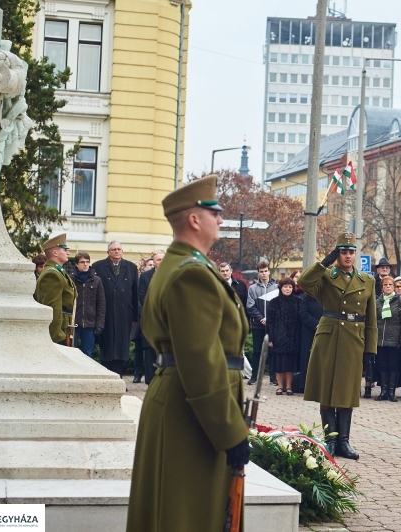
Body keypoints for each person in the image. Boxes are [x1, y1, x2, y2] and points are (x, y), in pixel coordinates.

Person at [127, 174, 250, 532]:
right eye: (215, 212)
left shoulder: (184, 266)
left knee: (175, 512)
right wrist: (231, 433)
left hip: (185, 403)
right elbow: (202, 363)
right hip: (192, 411)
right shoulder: (191, 274)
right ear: (195, 219)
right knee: (186, 515)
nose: (221, 220)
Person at [297, 232, 377, 460]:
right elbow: (303, 282)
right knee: (327, 390)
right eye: (343, 252)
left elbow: (371, 319)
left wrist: (371, 348)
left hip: (353, 338)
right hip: (329, 337)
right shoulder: (326, 277)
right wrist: (324, 263)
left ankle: (344, 441)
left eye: (351, 252)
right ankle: (330, 439)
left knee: (347, 392)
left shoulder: (367, 281)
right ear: (337, 254)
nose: (348, 256)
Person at [93, 241, 139, 377]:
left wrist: (135, 317)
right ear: (108, 252)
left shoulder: (131, 267)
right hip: (106, 314)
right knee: (107, 346)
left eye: (119, 249)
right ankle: (107, 378)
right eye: (113, 249)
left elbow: (135, 293)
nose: (117, 251)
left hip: (124, 314)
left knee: (121, 347)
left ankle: (118, 377)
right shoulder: (98, 266)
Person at [34, 234, 77, 345]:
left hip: (65, 327)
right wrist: (57, 336)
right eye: (65, 249)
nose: (68, 252)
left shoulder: (57, 271)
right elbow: (53, 308)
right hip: (58, 332)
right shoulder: (52, 274)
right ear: (55, 252)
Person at [374, 276, 401, 402]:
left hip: (394, 338)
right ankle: (383, 391)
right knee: (382, 365)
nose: (388, 286)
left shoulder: (400, 301)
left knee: (393, 366)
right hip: (381, 338)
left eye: (390, 284)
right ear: (382, 287)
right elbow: (374, 321)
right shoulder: (377, 302)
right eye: (385, 285)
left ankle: (391, 392)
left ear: (394, 287)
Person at [267, 277, 301, 395]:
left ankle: (289, 387)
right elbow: (270, 322)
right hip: (278, 337)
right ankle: (280, 387)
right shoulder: (273, 302)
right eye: (285, 287)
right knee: (279, 363)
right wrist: (270, 338)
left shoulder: (298, 301)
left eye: (290, 287)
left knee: (290, 364)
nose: (288, 289)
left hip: (292, 337)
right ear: (280, 288)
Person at [246, 261, 277, 385]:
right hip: (258, 325)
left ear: (269, 271)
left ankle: (273, 377)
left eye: (265, 271)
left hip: (272, 325)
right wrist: (260, 318)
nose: (263, 274)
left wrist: (269, 318)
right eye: (261, 272)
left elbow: (278, 306)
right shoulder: (253, 289)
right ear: (258, 273)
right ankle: (254, 377)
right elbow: (250, 306)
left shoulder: (276, 287)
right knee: (257, 351)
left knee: (272, 351)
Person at [70, 252, 106, 357]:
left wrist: (100, 324)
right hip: (74, 324)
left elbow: (101, 304)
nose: (85, 264)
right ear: (76, 264)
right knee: (71, 353)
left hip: (90, 324)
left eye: (87, 262)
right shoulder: (71, 279)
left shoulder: (97, 280)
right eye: (82, 262)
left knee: (87, 354)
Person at [137, 252, 164, 385]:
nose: (161, 261)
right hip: (151, 318)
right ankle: (150, 380)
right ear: (154, 262)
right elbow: (142, 296)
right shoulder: (146, 277)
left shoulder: (173, 274)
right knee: (149, 351)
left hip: (167, 321)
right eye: (158, 259)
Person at [297, 291, 323, 394]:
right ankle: (305, 385)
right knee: (307, 358)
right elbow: (303, 314)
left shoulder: (326, 296)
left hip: (324, 330)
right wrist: (316, 324)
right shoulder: (305, 297)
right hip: (309, 331)